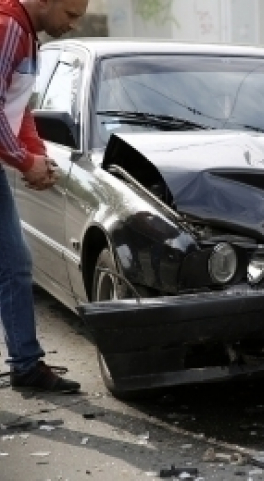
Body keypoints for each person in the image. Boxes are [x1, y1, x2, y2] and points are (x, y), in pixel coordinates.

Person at [0, 0, 88, 393]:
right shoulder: (9, 28)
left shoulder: (26, 35)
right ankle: (26, 362)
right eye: (70, 14)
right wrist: (23, 161)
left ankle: (26, 364)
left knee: (15, 264)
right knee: (13, 264)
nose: (74, 25)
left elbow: (19, 109)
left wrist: (39, 158)